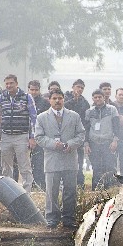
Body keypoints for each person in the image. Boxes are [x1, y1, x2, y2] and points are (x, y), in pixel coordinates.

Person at [35, 89, 85, 229]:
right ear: (49, 100)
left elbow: (81, 134)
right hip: (52, 159)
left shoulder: (74, 116)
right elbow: (38, 137)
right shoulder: (42, 117)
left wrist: (71, 144)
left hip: (70, 159)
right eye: (55, 98)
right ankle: (52, 219)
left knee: (70, 191)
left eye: (60, 98)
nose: (57, 101)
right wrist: (53, 144)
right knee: (52, 191)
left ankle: (69, 219)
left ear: (64, 99)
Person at [0, 74, 37, 192]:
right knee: (6, 168)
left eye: (11, 83)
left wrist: (32, 137)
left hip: (22, 136)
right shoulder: (3, 97)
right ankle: (9, 193)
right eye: (6, 83)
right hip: (6, 136)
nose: (9, 85)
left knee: (25, 167)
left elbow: (33, 118)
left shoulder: (26, 97)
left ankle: (27, 194)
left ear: (16, 83)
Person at [84, 89, 119, 190]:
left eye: (100, 97)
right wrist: (86, 144)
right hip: (94, 144)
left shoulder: (112, 109)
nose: (98, 99)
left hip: (108, 143)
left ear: (104, 98)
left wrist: (115, 141)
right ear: (93, 99)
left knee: (109, 168)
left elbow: (117, 127)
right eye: (95, 97)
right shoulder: (89, 112)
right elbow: (86, 129)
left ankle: (110, 191)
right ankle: (96, 192)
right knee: (96, 168)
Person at [64, 79, 90, 189]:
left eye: (82, 88)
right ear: (73, 87)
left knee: (78, 162)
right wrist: (74, 100)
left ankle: (79, 185)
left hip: (79, 137)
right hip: (66, 135)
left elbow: (86, 122)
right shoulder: (65, 98)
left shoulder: (85, 103)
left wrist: (85, 139)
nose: (79, 89)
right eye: (78, 87)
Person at [28, 80, 50, 190]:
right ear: (28, 89)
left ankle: (40, 185)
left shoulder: (45, 103)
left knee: (39, 163)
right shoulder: (24, 101)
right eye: (32, 89)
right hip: (26, 136)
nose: (34, 92)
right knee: (26, 164)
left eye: (36, 90)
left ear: (39, 90)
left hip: (41, 137)